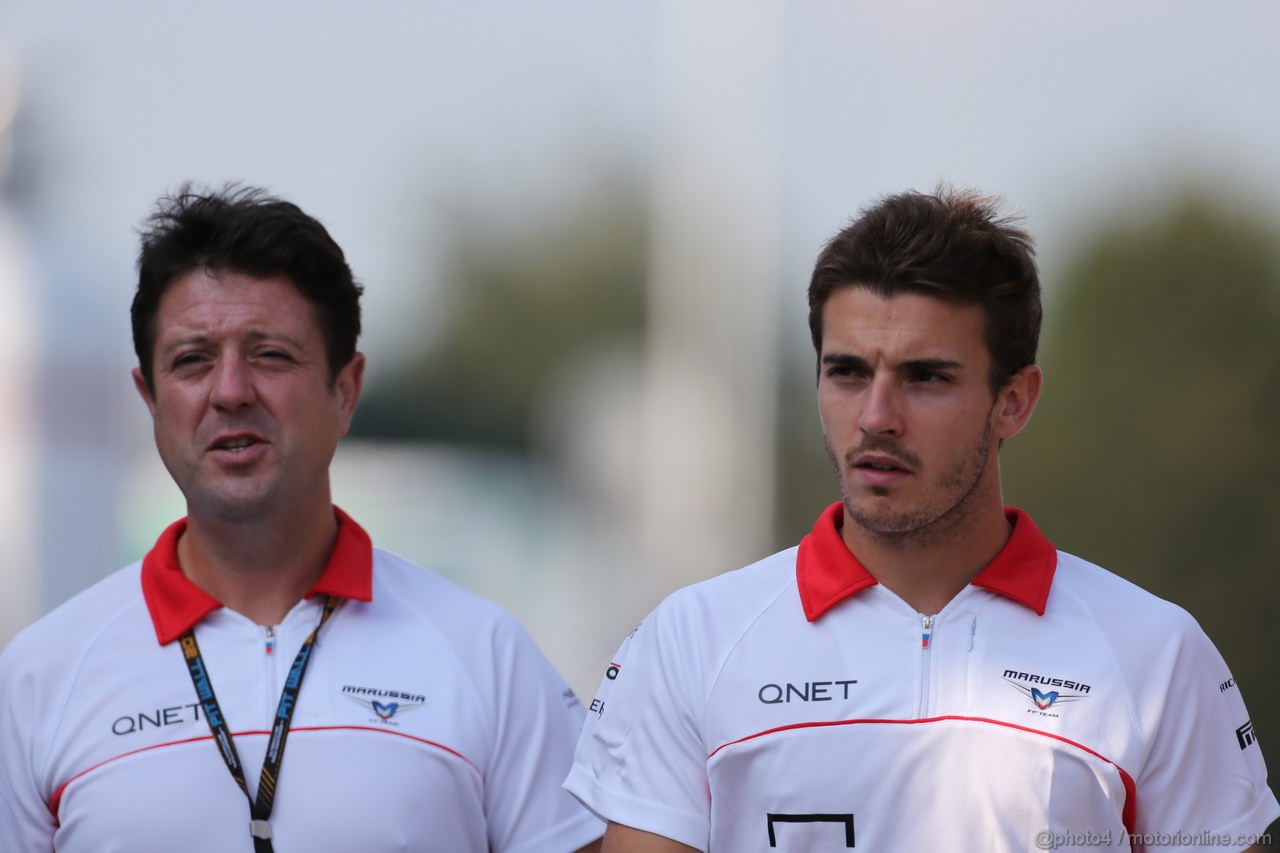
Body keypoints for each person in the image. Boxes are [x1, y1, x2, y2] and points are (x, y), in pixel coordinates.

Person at [564, 188, 1279, 852]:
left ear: (1015, 400)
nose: (876, 417)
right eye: (847, 372)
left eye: (926, 376)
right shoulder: (692, 640)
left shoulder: (1156, 653)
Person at [0, 185, 603, 853]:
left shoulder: (486, 656)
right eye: (192, 361)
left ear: (345, 390)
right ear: (149, 399)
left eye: (270, 355)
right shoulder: (38, 677)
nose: (230, 391)